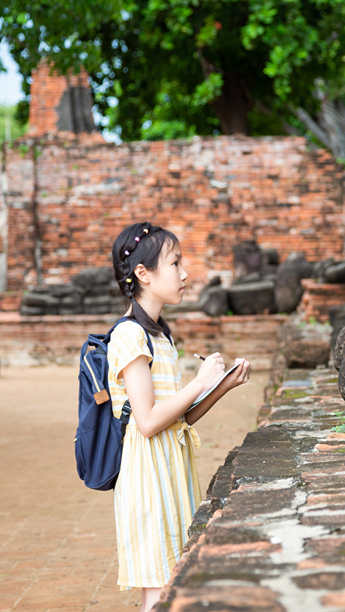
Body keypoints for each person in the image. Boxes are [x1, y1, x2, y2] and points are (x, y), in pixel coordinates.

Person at [107, 222, 250, 612]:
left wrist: (221, 385)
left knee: (177, 575)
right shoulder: (129, 336)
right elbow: (148, 422)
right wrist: (199, 380)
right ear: (143, 274)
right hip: (147, 474)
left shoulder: (160, 335)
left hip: (173, 466)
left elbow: (178, 418)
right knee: (159, 587)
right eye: (175, 263)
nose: (185, 274)